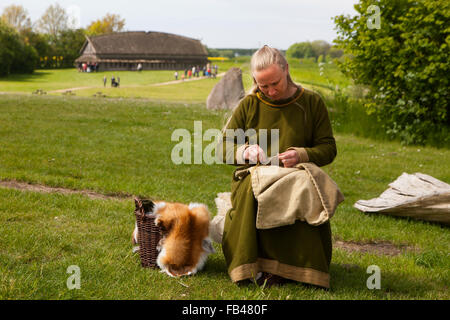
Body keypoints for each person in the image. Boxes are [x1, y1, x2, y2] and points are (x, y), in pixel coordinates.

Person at [219, 45, 337, 288]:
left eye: (276, 83)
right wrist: (245, 151)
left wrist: (302, 154)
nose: (271, 91)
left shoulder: (312, 103)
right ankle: (255, 267)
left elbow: (328, 148)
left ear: (287, 70)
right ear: (255, 80)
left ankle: (303, 270)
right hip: (253, 175)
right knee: (255, 188)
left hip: (296, 175)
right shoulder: (248, 105)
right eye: (264, 86)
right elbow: (223, 146)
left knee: (301, 187)